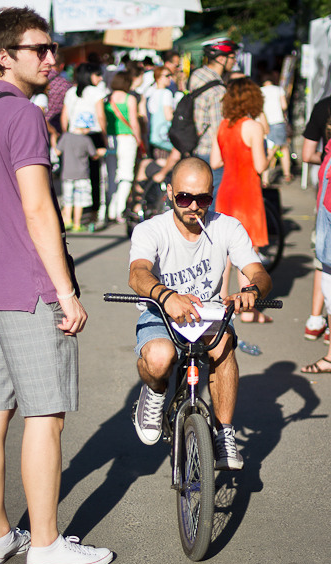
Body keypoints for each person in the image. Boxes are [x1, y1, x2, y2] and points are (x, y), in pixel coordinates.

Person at [0, 7, 113, 564]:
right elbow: (38, 207)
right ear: (4, 56)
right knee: (45, 415)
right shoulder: (22, 114)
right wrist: (65, 290)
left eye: (53, 49)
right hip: (27, 285)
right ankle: (45, 544)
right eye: (39, 49)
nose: (51, 59)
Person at [128, 157, 272, 469]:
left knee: (224, 346)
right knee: (159, 358)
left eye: (203, 199)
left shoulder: (227, 227)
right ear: (170, 192)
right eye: (184, 198)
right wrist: (167, 296)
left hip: (208, 314)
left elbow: (260, 274)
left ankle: (224, 433)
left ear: (212, 195)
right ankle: (154, 392)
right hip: (161, 311)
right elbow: (137, 274)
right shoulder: (151, 230)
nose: (193, 206)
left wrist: (251, 291)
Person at [211, 77, 273, 324]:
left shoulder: (223, 125)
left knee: (225, 250)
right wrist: (272, 153)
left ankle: (220, 301)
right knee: (248, 251)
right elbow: (260, 165)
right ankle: (247, 308)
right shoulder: (253, 127)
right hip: (247, 193)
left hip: (226, 190)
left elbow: (215, 161)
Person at [188, 39, 238, 204]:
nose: (234, 62)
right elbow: (219, 129)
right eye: (232, 57)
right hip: (211, 151)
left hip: (197, 146)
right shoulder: (218, 90)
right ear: (221, 59)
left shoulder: (197, 76)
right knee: (212, 202)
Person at [301, 94, 331, 344]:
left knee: (322, 259)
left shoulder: (323, 107)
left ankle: (314, 319)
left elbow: (306, 154)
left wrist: (326, 161)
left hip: (324, 199)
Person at [61, 62, 107, 223]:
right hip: (93, 135)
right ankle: (94, 211)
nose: (100, 78)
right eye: (97, 74)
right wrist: (104, 137)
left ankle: (71, 212)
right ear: (89, 75)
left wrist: (66, 134)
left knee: (74, 175)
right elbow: (100, 116)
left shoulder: (71, 92)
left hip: (73, 135)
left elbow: (64, 117)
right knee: (95, 175)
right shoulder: (96, 92)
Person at [55, 113, 106, 231]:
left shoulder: (66, 136)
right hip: (82, 174)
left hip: (67, 174)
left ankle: (67, 220)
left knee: (68, 199)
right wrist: (100, 152)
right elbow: (94, 155)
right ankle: (77, 224)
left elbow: (57, 151)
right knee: (79, 200)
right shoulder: (86, 140)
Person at [104, 71, 142, 223]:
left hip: (110, 139)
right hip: (127, 138)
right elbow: (134, 121)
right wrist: (139, 139)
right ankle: (120, 210)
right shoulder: (130, 98)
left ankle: (110, 210)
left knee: (112, 176)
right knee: (126, 175)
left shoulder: (107, 98)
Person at [260, 74, 292, 185]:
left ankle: (265, 178)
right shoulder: (278, 89)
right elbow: (284, 106)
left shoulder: (260, 91)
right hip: (278, 121)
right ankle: (287, 174)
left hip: (265, 122)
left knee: (268, 149)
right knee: (283, 148)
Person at [140, 66, 174, 160]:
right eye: (167, 76)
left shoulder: (150, 93)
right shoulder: (167, 93)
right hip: (164, 136)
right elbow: (168, 116)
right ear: (158, 77)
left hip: (153, 136)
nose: (170, 78)